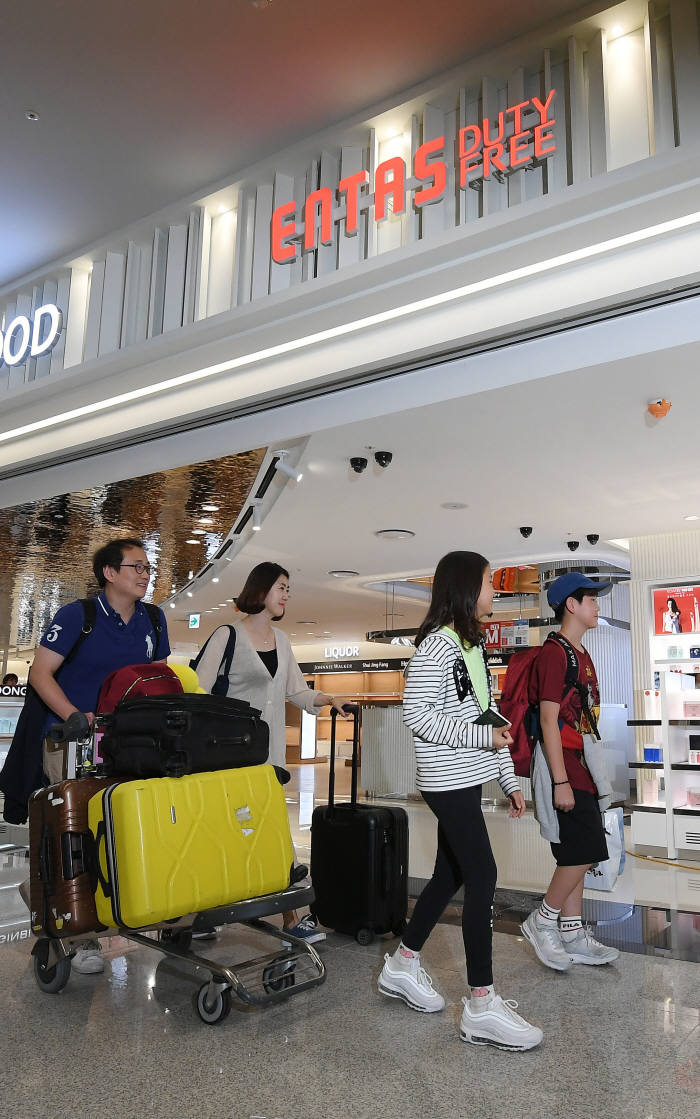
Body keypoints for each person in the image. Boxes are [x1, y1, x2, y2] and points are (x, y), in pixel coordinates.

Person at [377, 551, 542, 1052]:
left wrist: (508, 780)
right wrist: (482, 739)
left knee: (449, 874)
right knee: (483, 875)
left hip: (467, 778)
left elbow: (490, 721)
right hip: (446, 781)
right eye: (490, 581)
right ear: (468, 587)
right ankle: (481, 1004)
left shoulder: (469, 647)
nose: (495, 589)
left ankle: (402, 964)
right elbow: (418, 716)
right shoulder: (437, 648)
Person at [28, 537, 170, 974]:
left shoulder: (153, 618)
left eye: (148, 568)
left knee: (118, 830)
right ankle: (77, 933)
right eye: (137, 567)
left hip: (128, 743)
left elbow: (158, 676)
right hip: (74, 740)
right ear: (109, 573)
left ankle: (107, 919)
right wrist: (74, 715)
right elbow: (40, 672)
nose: (145, 574)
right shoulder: (79, 615)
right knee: (73, 835)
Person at [195, 561, 347, 943]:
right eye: (281, 587)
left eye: (287, 589)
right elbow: (197, 692)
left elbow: (296, 690)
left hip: (267, 757)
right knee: (224, 831)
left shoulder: (282, 640)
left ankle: (290, 919)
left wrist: (328, 698)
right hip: (226, 758)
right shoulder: (226, 635)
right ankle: (206, 912)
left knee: (271, 830)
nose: (286, 595)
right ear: (261, 590)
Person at [521, 572, 620, 971]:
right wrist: (561, 781)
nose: (597, 605)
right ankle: (543, 920)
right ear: (571, 605)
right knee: (588, 846)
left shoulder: (582, 654)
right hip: (561, 764)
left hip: (580, 761)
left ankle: (572, 932)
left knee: (577, 849)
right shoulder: (554, 653)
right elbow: (547, 721)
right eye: (591, 599)